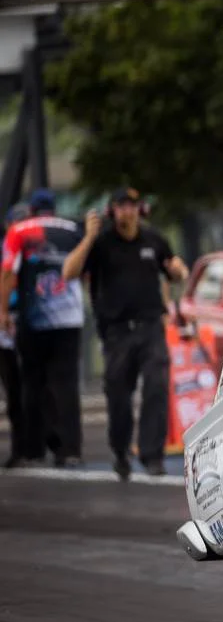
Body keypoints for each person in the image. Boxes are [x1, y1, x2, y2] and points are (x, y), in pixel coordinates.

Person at [62, 188, 188, 479]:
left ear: (139, 209)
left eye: (131, 206)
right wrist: (89, 237)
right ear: (112, 212)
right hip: (117, 333)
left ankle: (152, 455)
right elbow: (68, 273)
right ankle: (120, 451)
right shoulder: (101, 243)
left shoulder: (153, 239)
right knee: (119, 396)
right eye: (120, 207)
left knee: (156, 386)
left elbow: (173, 270)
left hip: (151, 327)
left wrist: (178, 269)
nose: (126, 212)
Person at [0, 189, 86, 468]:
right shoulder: (73, 229)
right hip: (68, 317)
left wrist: (3, 311)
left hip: (31, 319)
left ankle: (32, 448)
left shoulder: (18, 233)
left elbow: (8, 273)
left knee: (30, 385)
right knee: (65, 386)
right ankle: (69, 448)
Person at [0, 204, 29, 468]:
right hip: (8, 323)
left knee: (21, 389)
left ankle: (24, 448)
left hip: (23, 322)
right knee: (14, 388)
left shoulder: (33, 250)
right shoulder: (8, 247)